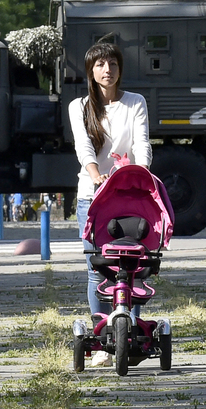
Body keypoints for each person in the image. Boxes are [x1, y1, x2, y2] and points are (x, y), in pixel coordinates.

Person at [67, 42, 151, 367]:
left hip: (130, 195)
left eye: (113, 64)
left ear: (120, 68)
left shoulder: (135, 103)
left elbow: (142, 142)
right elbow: (83, 147)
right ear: (91, 71)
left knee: (134, 266)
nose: (107, 70)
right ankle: (103, 338)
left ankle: (131, 336)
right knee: (97, 267)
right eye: (100, 64)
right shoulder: (80, 106)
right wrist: (96, 175)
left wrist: (141, 176)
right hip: (93, 195)